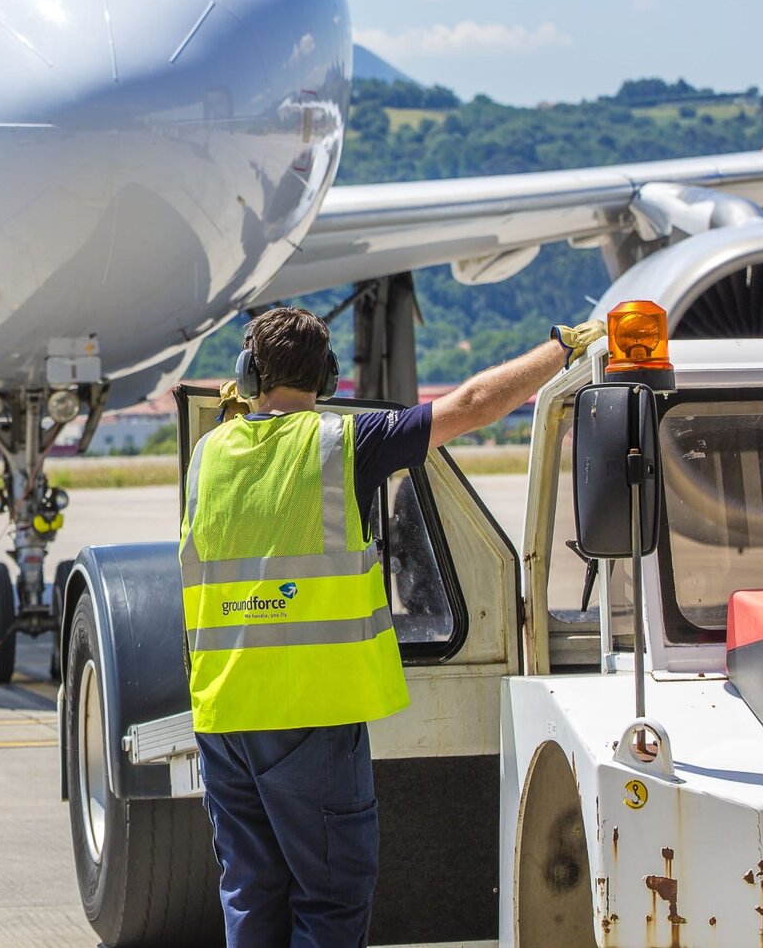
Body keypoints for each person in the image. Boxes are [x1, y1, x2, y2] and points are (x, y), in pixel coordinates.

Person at [183, 305, 604, 947]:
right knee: (329, 898)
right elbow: (474, 404)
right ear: (326, 377)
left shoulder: (210, 453)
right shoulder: (340, 443)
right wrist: (562, 351)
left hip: (222, 720)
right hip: (309, 719)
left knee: (249, 891)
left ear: (249, 371)